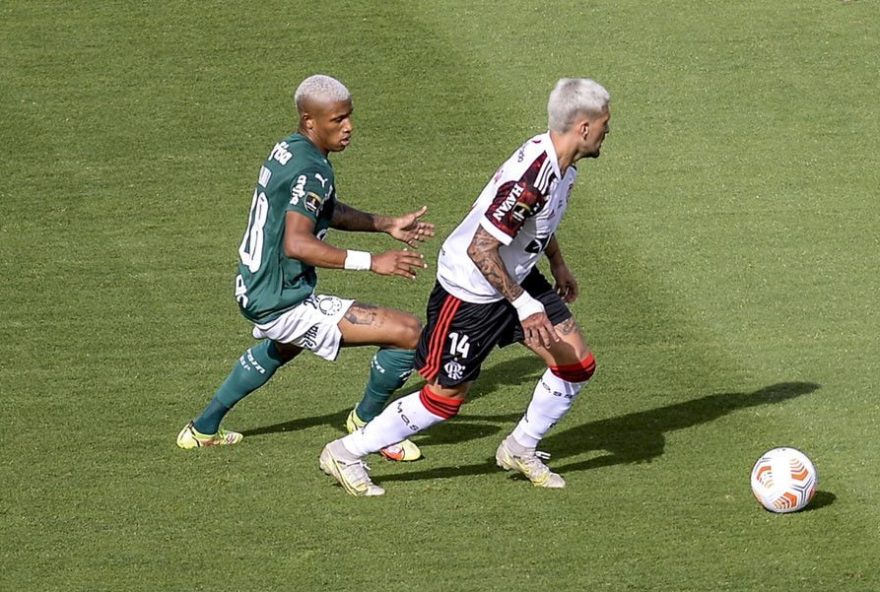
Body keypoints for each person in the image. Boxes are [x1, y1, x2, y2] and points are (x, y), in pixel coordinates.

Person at [320, 77, 612, 495]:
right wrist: (524, 304)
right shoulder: (532, 178)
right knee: (445, 398)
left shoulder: (562, 167)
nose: (608, 131)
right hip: (470, 292)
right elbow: (481, 248)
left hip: (513, 277)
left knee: (576, 363)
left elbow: (535, 224)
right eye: (605, 123)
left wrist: (558, 263)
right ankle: (345, 452)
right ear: (583, 127)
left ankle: (520, 447)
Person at [177, 74, 434, 462]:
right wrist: (372, 262)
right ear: (309, 120)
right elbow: (297, 243)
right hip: (282, 299)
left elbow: (324, 209)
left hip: (258, 285)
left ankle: (202, 429)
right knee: (409, 333)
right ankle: (367, 426)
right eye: (337, 120)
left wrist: (385, 224)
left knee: (284, 346)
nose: (348, 128)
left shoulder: (289, 149)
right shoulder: (311, 169)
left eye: (349, 117)